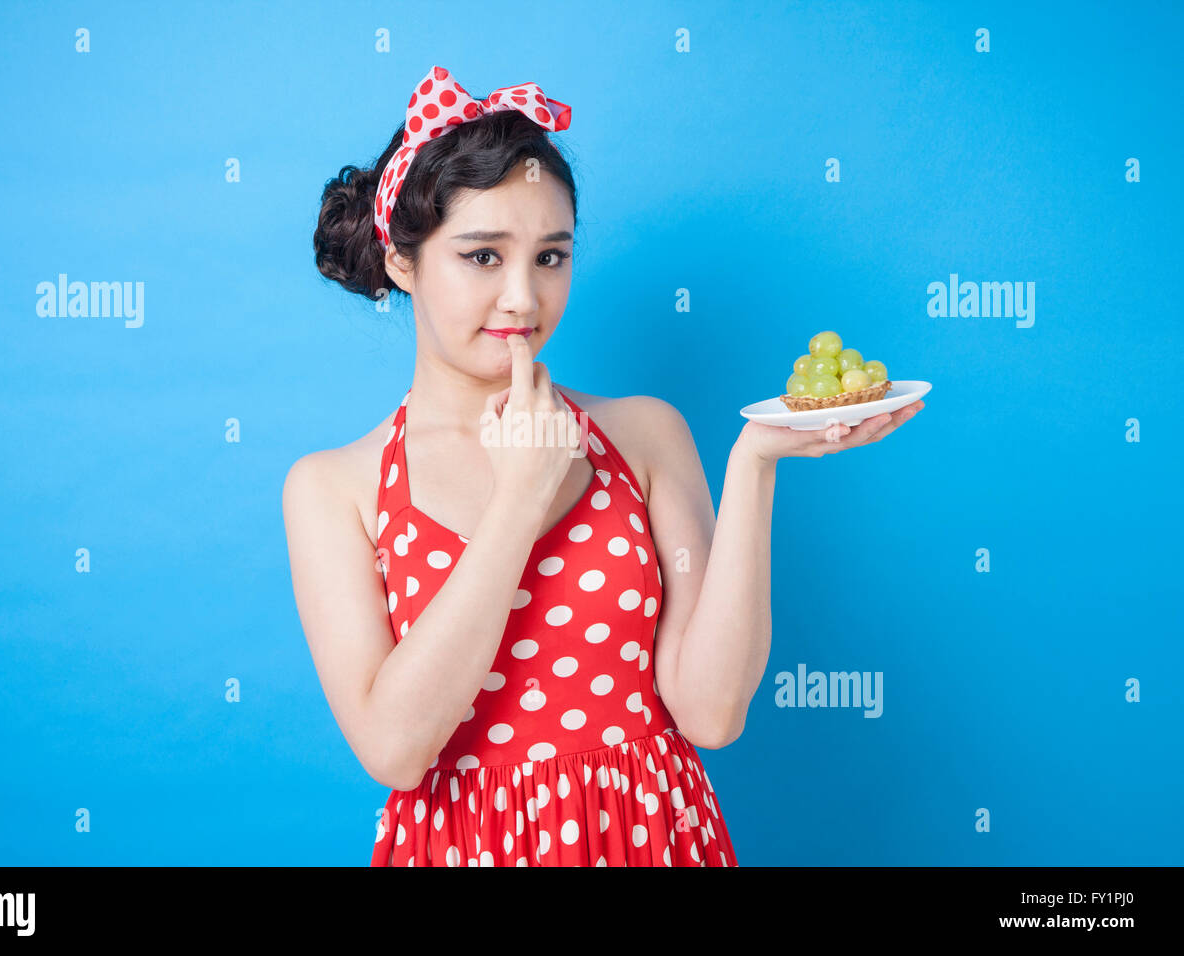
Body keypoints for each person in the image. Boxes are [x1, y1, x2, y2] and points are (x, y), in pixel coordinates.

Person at [284, 65, 922, 866]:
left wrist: (754, 466)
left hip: (653, 839)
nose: (522, 298)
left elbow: (712, 714)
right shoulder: (332, 488)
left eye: (550, 258)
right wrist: (521, 498)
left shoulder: (646, 436)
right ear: (404, 262)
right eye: (483, 257)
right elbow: (396, 750)